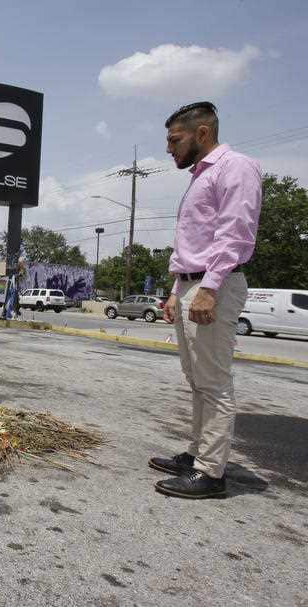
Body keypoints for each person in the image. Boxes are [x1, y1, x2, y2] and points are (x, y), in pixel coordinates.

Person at [149, 102, 262, 499]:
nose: (169, 149)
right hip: (190, 284)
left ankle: (211, 474)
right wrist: (176, 291)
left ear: (201, 134)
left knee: (213, 382)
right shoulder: (200, 176)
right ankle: (197, 455)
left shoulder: (236, 167)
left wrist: (210, 288)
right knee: (196, 379)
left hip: (215, 284)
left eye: (174, 139)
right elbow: (195, 242)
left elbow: (235, 233)